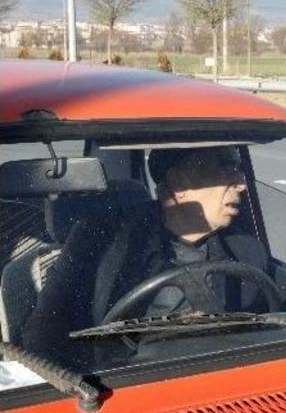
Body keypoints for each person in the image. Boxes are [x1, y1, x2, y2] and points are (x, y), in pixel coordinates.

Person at [23, 146, 271, 368]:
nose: (242, 183)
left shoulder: (248, 252)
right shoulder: (99, 241)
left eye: (238, 168)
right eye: (225, 167)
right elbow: (43, 335)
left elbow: (266, 338)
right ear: (180, 186)